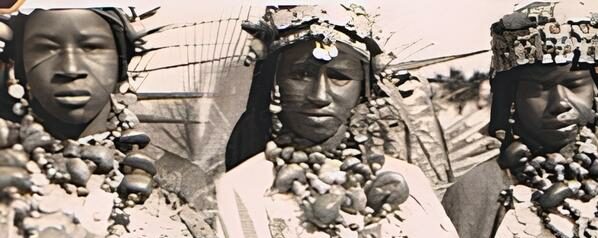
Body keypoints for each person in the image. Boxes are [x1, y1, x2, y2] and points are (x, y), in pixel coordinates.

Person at [217, 4, 457, 237]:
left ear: (365, 90)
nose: (319, 96)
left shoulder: (409, 182)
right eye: (301, 74)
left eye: (339, 76)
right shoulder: (241, 188)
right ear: (275, 83)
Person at [441, 1, 598, 237]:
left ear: (595, 90)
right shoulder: (479, 188)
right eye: (541, 89)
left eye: (574, 85)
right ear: (511, 99)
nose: (561, 103)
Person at [0, 5, 199, 237]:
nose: (71, 69)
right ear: (20, 68)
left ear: (122, 65)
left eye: (91, 47)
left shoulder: (186, 183)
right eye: (46, 49)